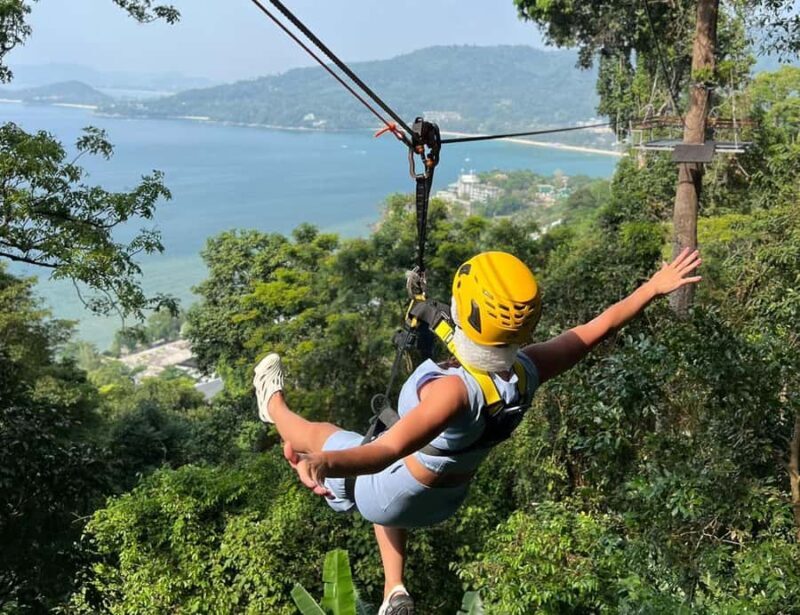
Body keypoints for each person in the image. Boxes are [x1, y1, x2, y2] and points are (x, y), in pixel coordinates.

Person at [252, 248, 702, 615]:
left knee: (320, 434)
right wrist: (652, 288)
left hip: (389, 487)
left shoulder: (453, 393)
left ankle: (272, 407)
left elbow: (387, 449)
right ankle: (395, 591)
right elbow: (592, 331)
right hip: (441, 500)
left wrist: (325, 460)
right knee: (388, 498)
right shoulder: (527, 370)